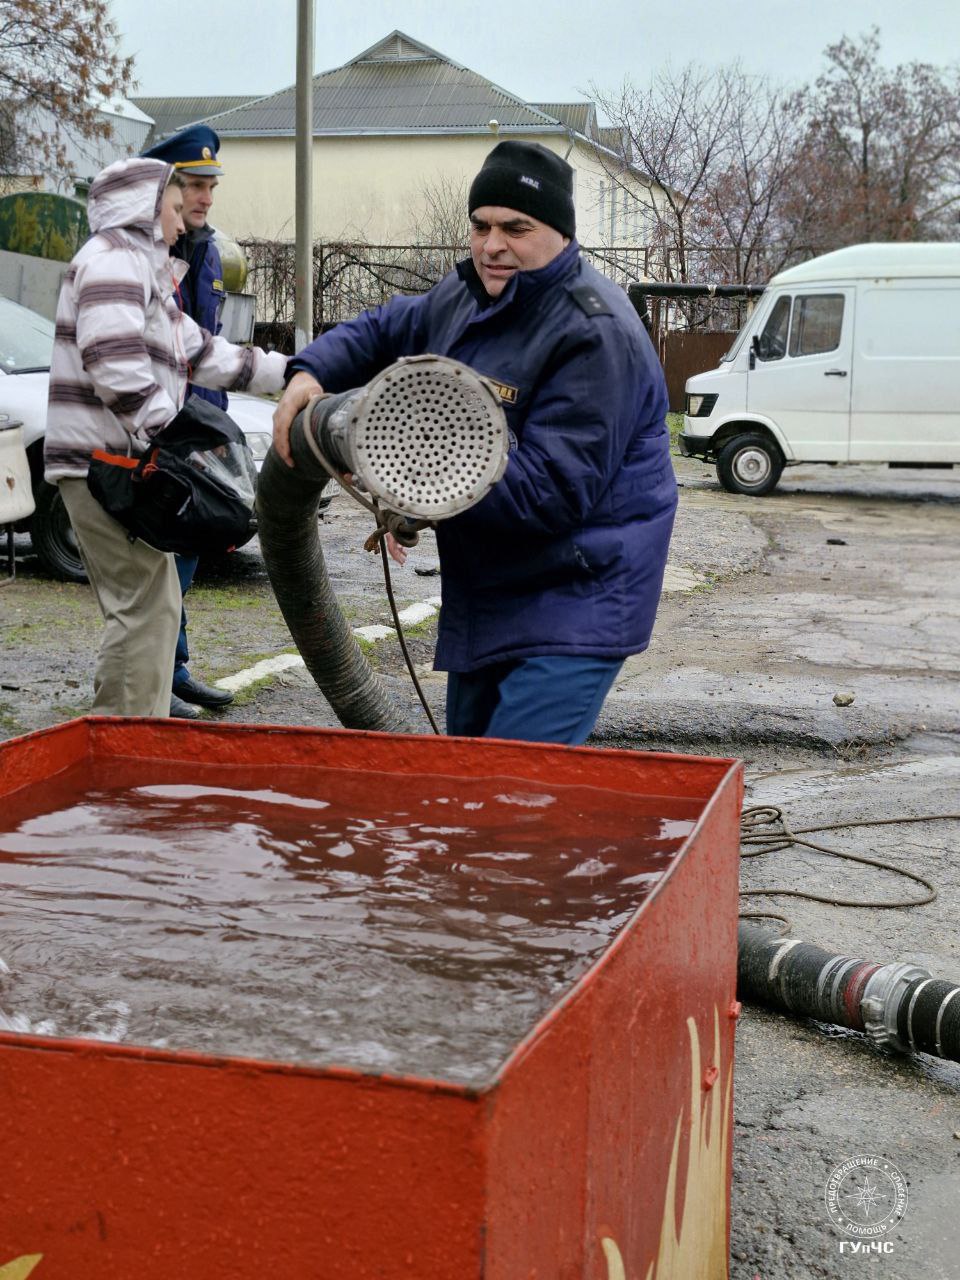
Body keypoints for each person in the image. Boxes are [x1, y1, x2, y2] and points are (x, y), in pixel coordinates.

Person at [272, 141, 678, 746]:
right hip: (491, 586)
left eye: (517, 228)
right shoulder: (466, 296)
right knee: (467, 777)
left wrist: (404, 467)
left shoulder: (596, 333)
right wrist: (310, 372)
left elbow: (549, 494)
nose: (493, 245)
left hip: (576, 592)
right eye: (482, 225)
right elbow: (384, 326)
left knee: (509, 788)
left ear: (561, 234)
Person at [45, 157, 287, 719]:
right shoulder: (112, 264)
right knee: (145, 608)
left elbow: (208, 353)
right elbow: (114, 365)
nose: (184, 225)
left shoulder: (142, 272)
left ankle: (125, 739)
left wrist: (297, 371)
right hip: (102, 466)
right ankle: (127, 754)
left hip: (114, 463)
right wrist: (172, 443)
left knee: (150, 606)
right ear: (143, 209)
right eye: (175, 209)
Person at [142, 124, 233, 720]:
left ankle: (173, 669)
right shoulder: (151, 252)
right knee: (162, 560)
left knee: (188, 551)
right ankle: (159, 678)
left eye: (208, 187)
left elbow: (211, 342)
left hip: (200, 418)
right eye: (192, 186)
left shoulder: (204, 248)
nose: (202, 198)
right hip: (165, 425)